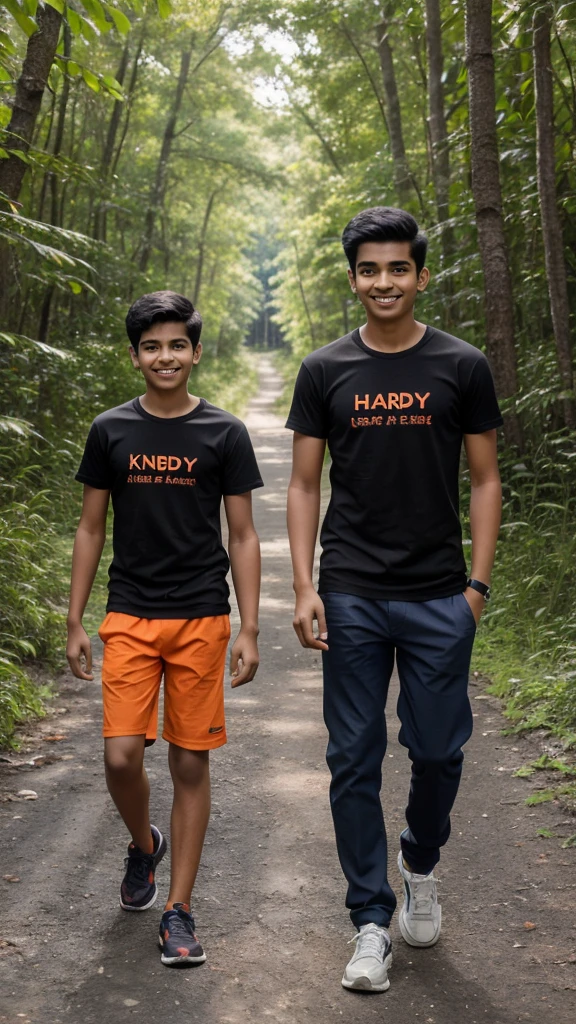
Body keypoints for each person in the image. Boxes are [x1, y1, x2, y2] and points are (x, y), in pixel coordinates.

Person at [286, 207, 502, 992]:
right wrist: (306, 586)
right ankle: (369, 921)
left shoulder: (461, 365)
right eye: (369, 270)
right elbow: (305, 482)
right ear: (353, 279)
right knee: (352, 757)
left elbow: (484, 479)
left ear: (420, 274)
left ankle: (420, 859)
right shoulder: (325, 369)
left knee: (439, 748)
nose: (384, 282)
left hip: (441, 593)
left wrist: (476, 587)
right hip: (350, 592)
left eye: (397, 268)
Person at [66, 291, 262, 966]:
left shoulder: (224, 434)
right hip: (129, 615)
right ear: (135, 356)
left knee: (188, 760)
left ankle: (178, 910)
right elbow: (92, 526)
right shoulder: (111, 430)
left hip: (201, 616)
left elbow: (242, 535)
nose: (165, 356)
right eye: (152, 346)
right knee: (120, 755)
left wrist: (248, 627)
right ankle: (143, 845)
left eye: (177, 344)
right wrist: (75, 619)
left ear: (196, 352)